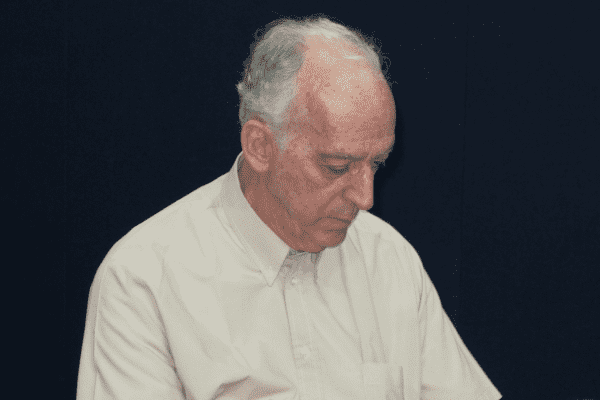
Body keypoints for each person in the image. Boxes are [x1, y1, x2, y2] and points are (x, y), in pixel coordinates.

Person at [77, 16, 502, 400]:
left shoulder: (388, 259)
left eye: (376, 163)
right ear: (260, 146)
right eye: (337, 167)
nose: (366, 198)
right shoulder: (144, 279)